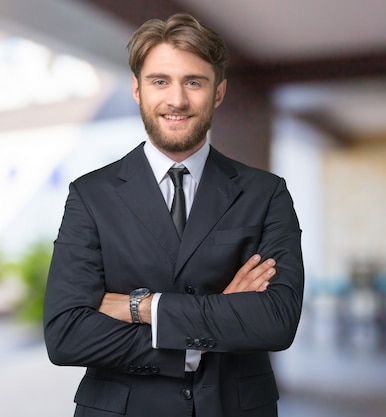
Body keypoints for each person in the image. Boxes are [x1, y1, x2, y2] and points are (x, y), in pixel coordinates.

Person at [43, 12, 304, 417]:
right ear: (136, 89)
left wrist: (143, 308)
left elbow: (276, 320)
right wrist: (216, 317)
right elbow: (66, 336)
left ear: (218, 92)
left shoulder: (265, 193)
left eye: (194, 82)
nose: (177, 100)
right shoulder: (90, 195)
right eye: (160, 81)